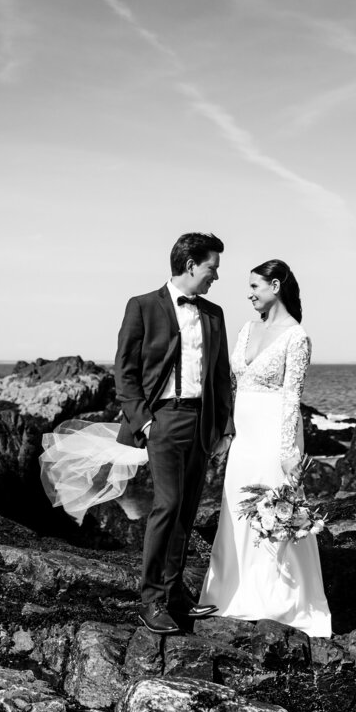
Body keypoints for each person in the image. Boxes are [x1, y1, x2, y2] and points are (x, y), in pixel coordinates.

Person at [197, 259, 332, 637]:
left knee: (275, 510)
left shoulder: (296, 337)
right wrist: (225, 431)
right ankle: (231, 590)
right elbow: (232, 384)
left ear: (275, 285)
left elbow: (292, 399)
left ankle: (281, 598)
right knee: (237, 508)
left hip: (274, 436)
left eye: (255, 286)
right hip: (244, 436)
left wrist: (289, 453)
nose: (249, 293)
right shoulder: (246, 329)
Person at [113, 232, 236, 635]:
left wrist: (224, 427)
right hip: (162, 420)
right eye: (211, 269)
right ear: (190, 266)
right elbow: (125, 371)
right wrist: (144, 421)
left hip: (201, 422)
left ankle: (175, 593)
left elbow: (221, 375)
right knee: (166, 506)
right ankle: (151, 600)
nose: (215, 277)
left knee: (187, 509)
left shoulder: (214, 313)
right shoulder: (142, 306)